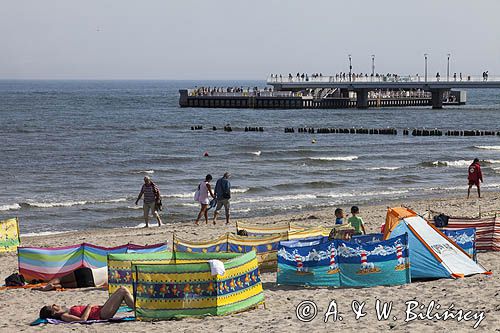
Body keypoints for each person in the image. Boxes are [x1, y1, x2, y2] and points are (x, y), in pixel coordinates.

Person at [39, 286, 134, 322]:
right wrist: (89, 307)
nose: (55, 304)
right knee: (122, 290)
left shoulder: (66, 311)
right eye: (53, 306)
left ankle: (139, 308)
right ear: (53, 313)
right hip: (101, 314)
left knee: (123, 291)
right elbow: (82, 319)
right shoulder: (64, 316)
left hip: (100, 310)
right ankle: (139, 308)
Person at [34, 267, 107, 291]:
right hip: (91, 282)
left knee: (60, 279)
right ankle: (53, 287)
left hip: (87, 271)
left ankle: (45, 286)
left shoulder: (110, 265)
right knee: (63, 285)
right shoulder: (116, 276)